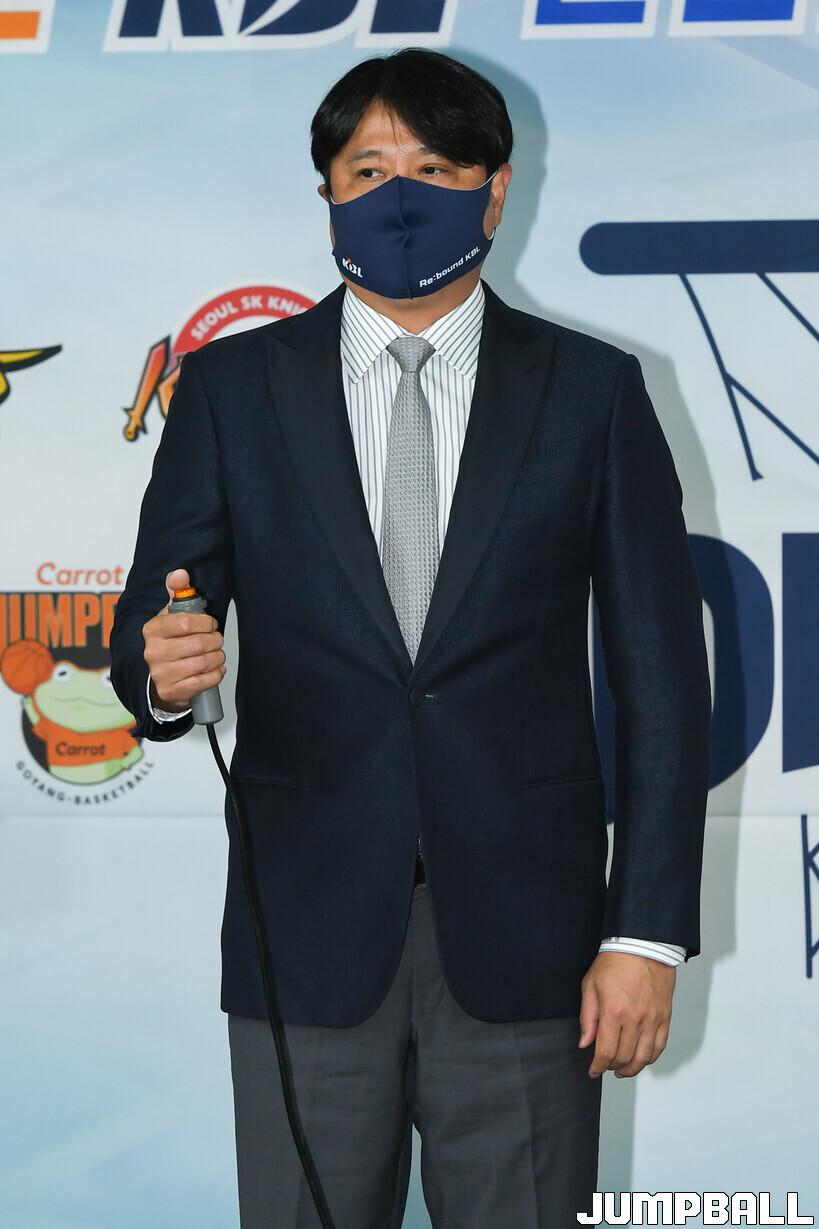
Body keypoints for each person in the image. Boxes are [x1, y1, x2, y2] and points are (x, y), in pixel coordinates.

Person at [109, 47, 712, 1229]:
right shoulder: (230, 389)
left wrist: (646, 934)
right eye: (367, 168)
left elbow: (662, 684)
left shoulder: (592, 393)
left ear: (495, 189)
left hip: (533, 947)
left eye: (432, 168)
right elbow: (152, 622)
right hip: (305, 933)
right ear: (326, 192)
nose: (397, 194)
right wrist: (162, 673)